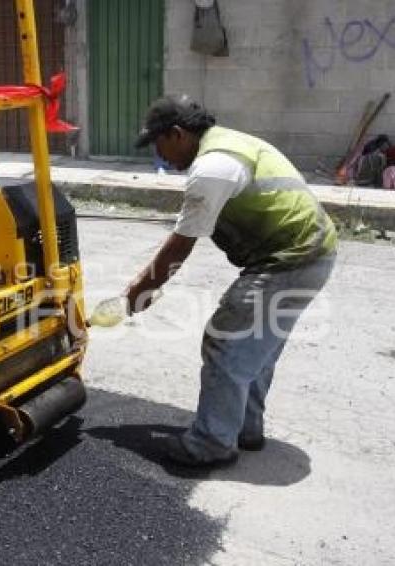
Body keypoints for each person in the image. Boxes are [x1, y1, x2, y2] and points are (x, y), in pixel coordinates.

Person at [124, 94, 337, 467]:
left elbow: (179, 248)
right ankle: (244, 428)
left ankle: (211, 443)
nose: (160, 156)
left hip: (289, 260)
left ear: (177, 134)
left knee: (226, 342)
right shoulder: (230, 142)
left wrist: (140, 291)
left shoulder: (211, 169)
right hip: (313, 253)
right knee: (256, 347)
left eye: (159, 146)